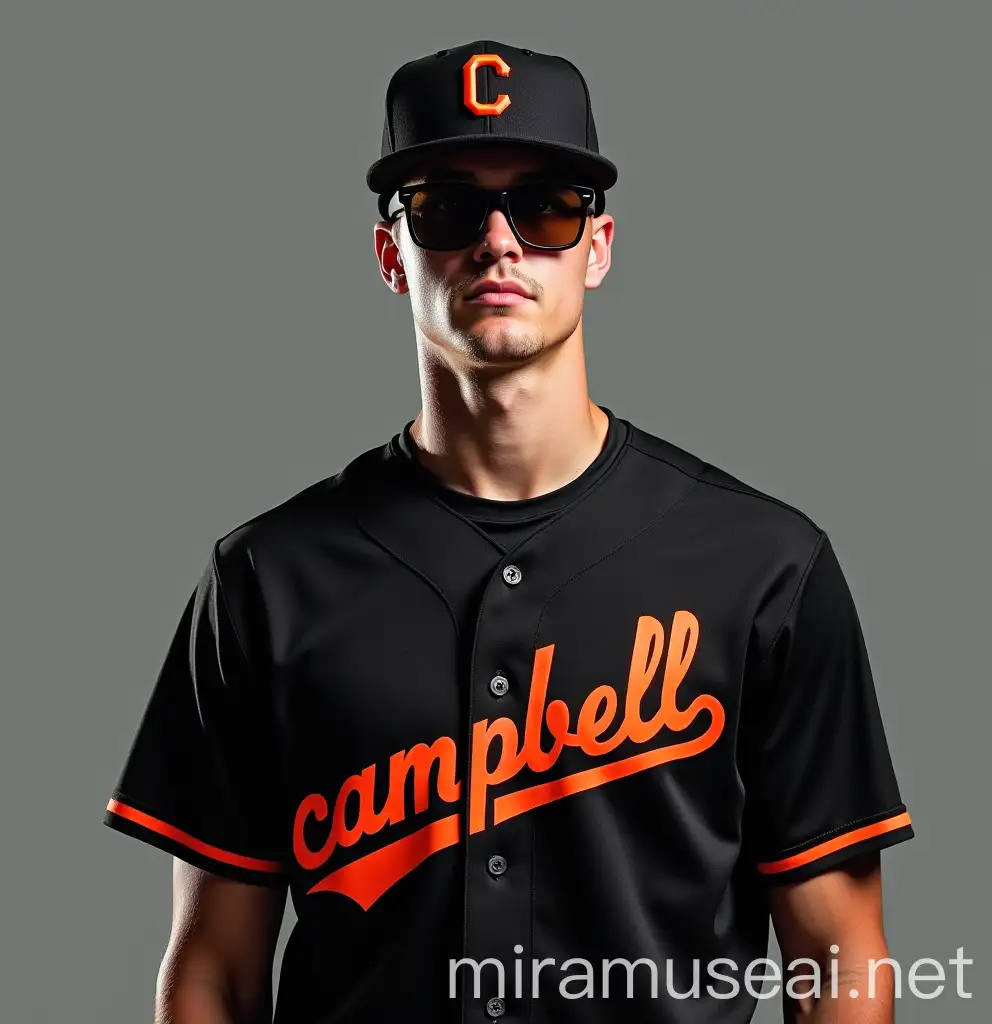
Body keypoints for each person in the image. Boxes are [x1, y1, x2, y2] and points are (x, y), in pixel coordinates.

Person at [103, 38, 914, 1024]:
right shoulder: (267, 578)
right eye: (446, 207)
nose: (499, 241)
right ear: (391, 254)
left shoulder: (764, 567)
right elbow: (213, 972)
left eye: (544, 208)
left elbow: (839, 958)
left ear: (599, 247)